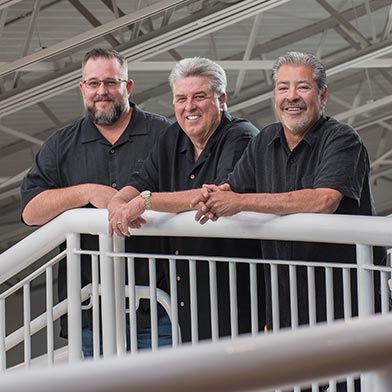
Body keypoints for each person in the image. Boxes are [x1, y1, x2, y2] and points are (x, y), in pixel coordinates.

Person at [20, 47, 174, 357]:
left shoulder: (165, 134)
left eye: (110, 82)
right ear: (82, 89)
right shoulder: (61, 145)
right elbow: (30, 212)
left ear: (127, 87)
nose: (101, 92)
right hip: (91, 313)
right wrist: (86, 192)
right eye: (93, 83)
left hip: (161, 308)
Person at [108, 57, 264, 342]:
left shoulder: (241, 136)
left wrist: (145, 202)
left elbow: (215, 195)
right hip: (185, 299)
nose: (189, 106)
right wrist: (118, 203)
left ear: (222, 100)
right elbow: (138, 184)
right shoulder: (172, 138)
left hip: (234, 297)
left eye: (199, 97)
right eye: (181, 98)